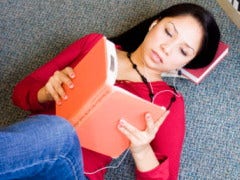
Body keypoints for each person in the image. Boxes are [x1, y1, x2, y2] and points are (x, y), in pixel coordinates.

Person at [9, 2, 220, 180]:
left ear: (186, 62)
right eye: (168, 32)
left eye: (183, 51)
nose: (167, 48)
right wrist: (47, 91)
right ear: (154, 24)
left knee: (59, 131)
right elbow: (20, 93)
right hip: (25, 151)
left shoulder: (168, 102)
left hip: (75, 171)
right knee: (54, 129)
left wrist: (142, 149)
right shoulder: (94, 44)